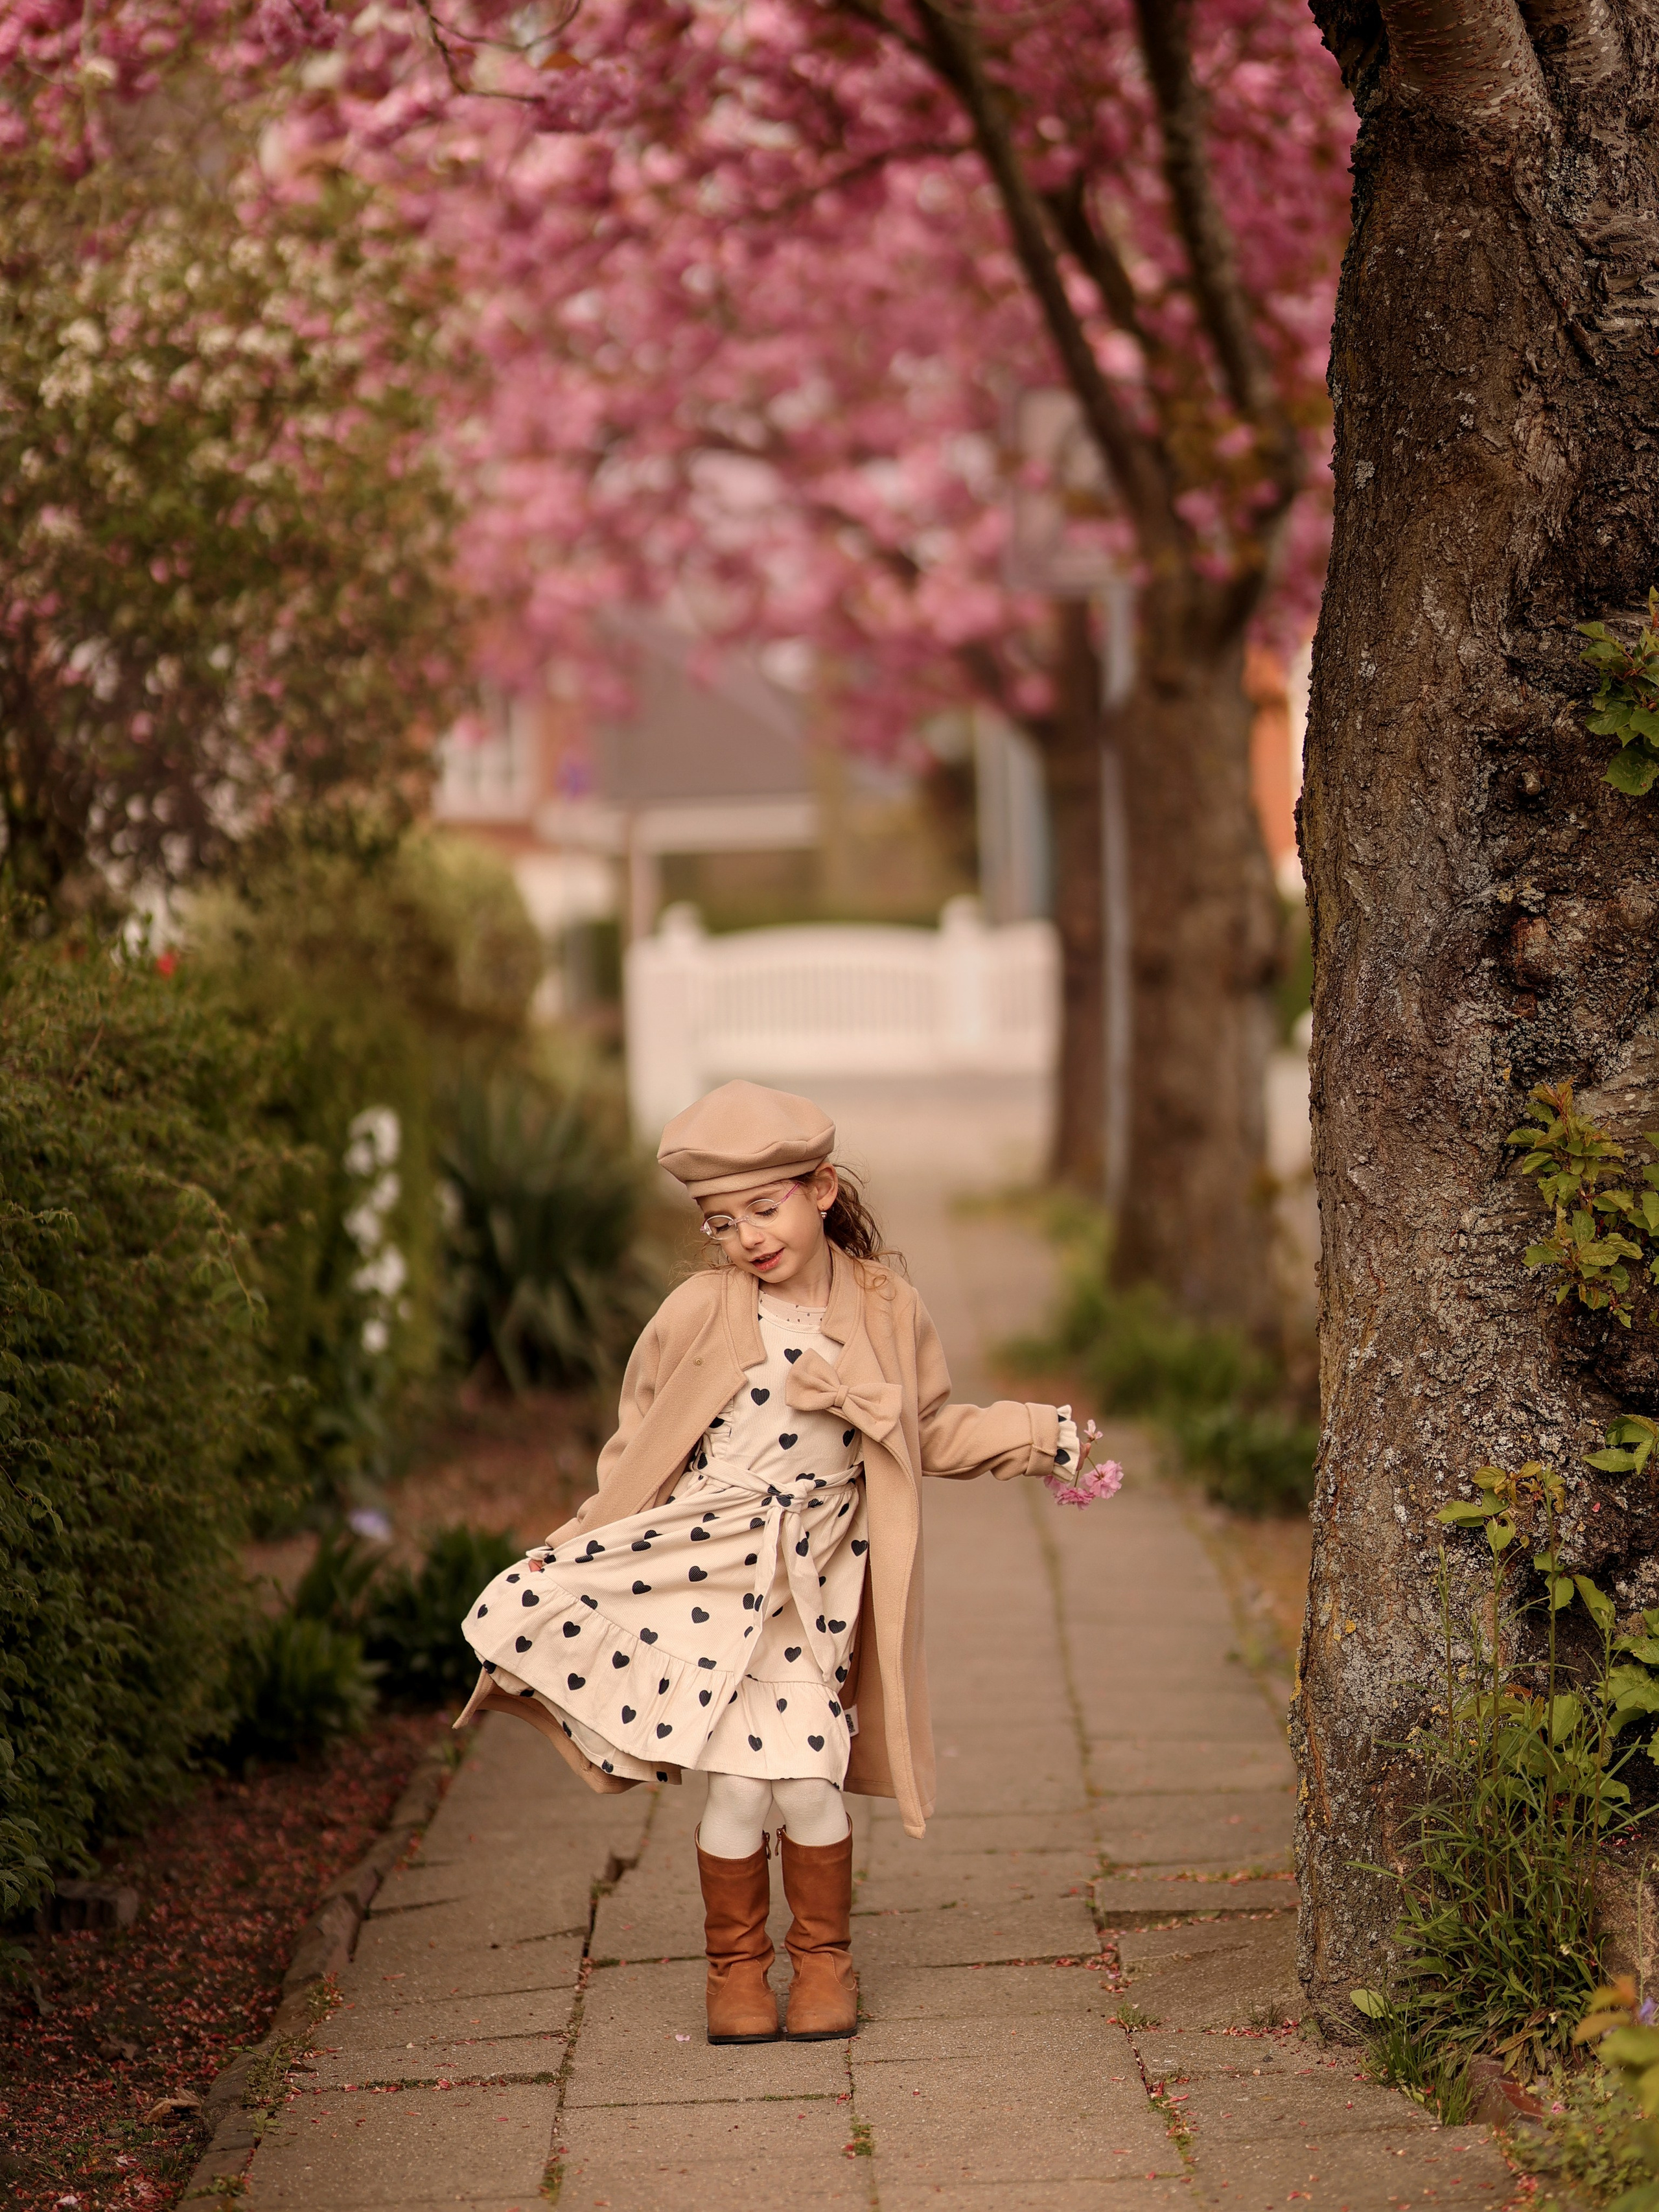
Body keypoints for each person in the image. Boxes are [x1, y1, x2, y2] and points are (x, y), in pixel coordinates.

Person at [455, 1080, 1084, 2046]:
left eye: (765, 1206)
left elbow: (925, 1428)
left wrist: (1037, 1436)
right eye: (720, 1221)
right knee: (745, 1787)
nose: (747, 1235)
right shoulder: (697, 1312)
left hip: (811, 1589)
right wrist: (580, 1543)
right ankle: (737, 1970)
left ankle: (824, 1960)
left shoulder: (885, 1305)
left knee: (806, 1784)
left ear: (821, 1187)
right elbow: (637, 1449)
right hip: (705, 1577)